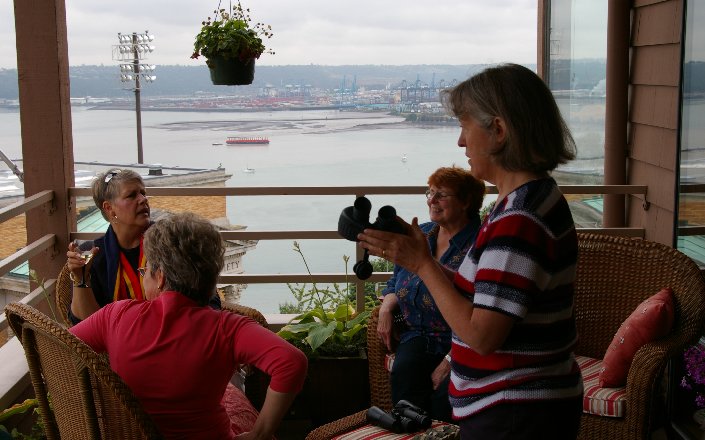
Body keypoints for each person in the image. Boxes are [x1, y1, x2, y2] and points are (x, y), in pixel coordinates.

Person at [358, 63, 583, 439]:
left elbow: (481, 336)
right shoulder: (528, 200)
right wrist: (423, 259)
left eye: (464, 126)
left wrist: (422, 266)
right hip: (520, 405)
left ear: (498, 131)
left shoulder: (520, 219)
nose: (460, 142)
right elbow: (487, 292)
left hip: (514, 412)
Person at [70, 212, 308, 439]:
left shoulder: (116, 315)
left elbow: (59, 348)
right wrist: (260, 434)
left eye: (145, 271)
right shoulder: (229, 328)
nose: (144, 277)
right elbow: (291, 362)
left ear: (160, 277)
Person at [377, 166, 485, 422]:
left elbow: (483, 307)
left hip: (461, 339)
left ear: (465, 202)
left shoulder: (481, 245)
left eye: (441, 195)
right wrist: (386, 306)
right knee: (405, 387)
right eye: (430, 192)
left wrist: (449, 359)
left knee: (442, 402)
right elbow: (396, 280)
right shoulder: (421, 234)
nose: (431, 200)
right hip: (419, 335)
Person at [65, 168, 220, 324]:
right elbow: (83, 325)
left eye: (143, 193)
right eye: (131, 195)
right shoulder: (95, 255)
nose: (143, 199)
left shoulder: (171, 240)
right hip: (119, 344)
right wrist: (81, 279)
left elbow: (210, 300)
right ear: (109, 208)